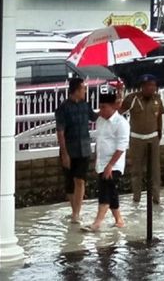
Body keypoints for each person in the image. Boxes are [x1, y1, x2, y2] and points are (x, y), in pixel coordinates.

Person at [83, 85, 130, 232]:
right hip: (101, 162)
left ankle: (97, 222)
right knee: (111, 191)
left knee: (105, 191)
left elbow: (121, 147)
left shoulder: (121, 123)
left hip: (114, 164)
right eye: (100, 107)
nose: (101, 111)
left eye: (104, 107)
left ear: (113, 107)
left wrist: (110, 165)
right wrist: (97, 161)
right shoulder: (101, 121)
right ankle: (119, 220)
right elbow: (100, 142)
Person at [55, 78, 98, 224]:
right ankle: (75, 210)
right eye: (83, 89)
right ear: (76, 90)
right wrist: (64, 153)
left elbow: (95, 117)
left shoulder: (86, 105)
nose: (85, 91)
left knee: (80, 180)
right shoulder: (63, 108)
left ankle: (77, 212)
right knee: (70, 182)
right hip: (70, 148)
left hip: (84, 148)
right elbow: (60, 132)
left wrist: (114, 103)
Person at [119, 74, 164, 204]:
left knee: (155, 170)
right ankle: (136, 197)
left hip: (153, 138)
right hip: (136, 139)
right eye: (148, 86)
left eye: (153, 85)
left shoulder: (157, 99)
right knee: (136, 170)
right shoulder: (132, 99)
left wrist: (159, 132)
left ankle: (156, 198)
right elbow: (119, 112)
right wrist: (118, 93)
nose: (151, 88)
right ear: (142, 87)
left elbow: (159, 116)